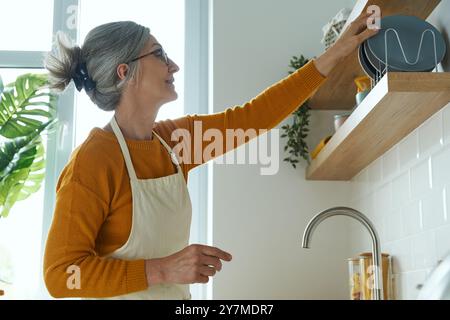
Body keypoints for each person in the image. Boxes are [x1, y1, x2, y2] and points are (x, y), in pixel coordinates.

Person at [43, 13, 378, 299]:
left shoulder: (174, 142)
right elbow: (61, 275)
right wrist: (163, 270)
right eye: (159, 54)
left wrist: (334, 55)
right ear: (124, 72)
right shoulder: (93, 161)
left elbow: (254, 117)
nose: (172, 65)